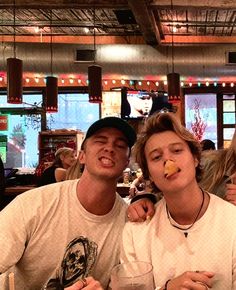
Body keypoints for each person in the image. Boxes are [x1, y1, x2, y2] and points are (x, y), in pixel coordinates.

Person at [0, 116, 151, 290]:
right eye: (101, 141)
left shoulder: (128, 225)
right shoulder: (34, 205)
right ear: (82, 156)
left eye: (120, 145)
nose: (109, 148)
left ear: (126, 162)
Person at [121, 112, 236, 289]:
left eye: (177, 150)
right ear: (149, 174)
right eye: (156, 157)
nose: (168, 160)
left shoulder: (231, 222)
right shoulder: (136, 232)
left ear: (196, 159)